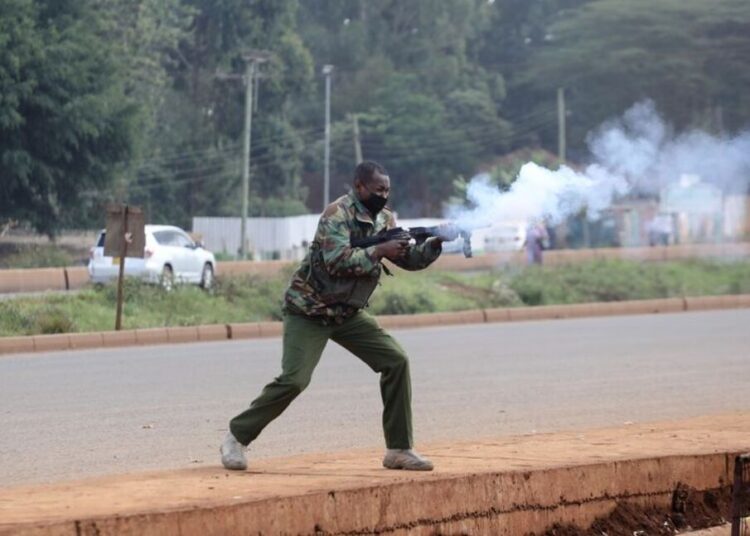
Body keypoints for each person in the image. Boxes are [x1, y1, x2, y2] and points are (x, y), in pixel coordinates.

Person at [221, 160, 457, 472]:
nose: (384, 195)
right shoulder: (337, 214)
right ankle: (236, 436)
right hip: (309, 309)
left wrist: (436, 242)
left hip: (346, 313)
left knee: (395, 361)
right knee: (294, 380)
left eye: (387, 189)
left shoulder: (384, 218)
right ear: (359, 187)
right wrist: (378, 251)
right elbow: (336, 261)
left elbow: (409, 260)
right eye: (378, 189)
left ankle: (399, 449)